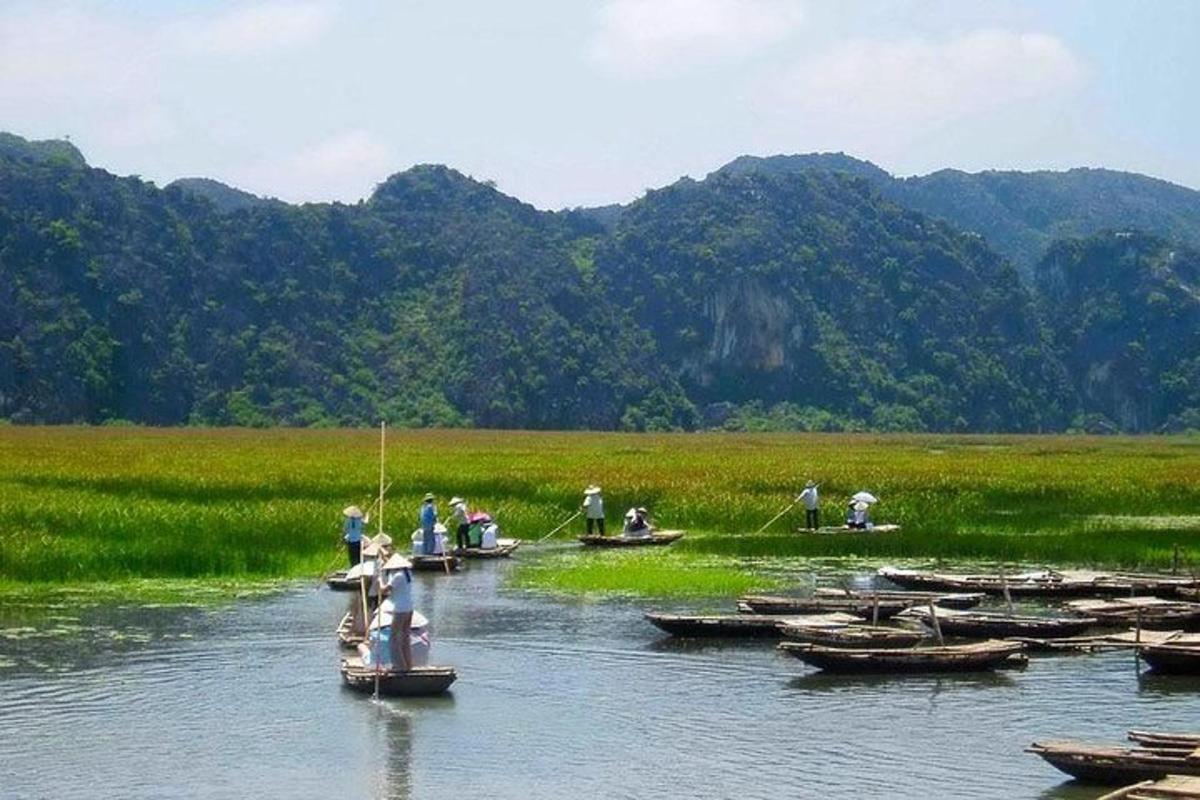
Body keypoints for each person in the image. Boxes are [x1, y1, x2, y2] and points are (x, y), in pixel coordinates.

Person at [382, 553, 414, 671]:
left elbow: (384, 590)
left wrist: (379, 581)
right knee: (405, 637)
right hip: (409, 608)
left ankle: (399, 666)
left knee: (394, 637)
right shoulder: (408, 574)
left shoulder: (398, 576)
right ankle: (408, 665)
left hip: (400, 609)